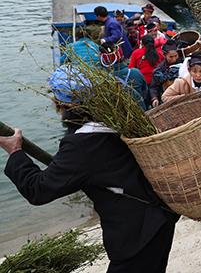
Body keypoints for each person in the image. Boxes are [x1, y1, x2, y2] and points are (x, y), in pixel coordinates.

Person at [0, 66, 179, 272]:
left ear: (61, 105)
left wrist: (15, 152)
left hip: (138, 233)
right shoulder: (116, 120)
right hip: (160, 216)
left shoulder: (82, 145)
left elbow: (38, 189)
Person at [101, 43, 149, 110]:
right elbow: (145, 92)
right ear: (121, 56)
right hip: (141, 110)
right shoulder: (135, 72)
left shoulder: (105, 81)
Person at [149, 41, 182, 107]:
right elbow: (153, 87)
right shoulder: (159, 70)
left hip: (182, 96)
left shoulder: (183, 64)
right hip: (166, 98)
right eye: (171, 57)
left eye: (176, 56)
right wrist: (154, 98)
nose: (174, 59)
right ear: (164, 55)